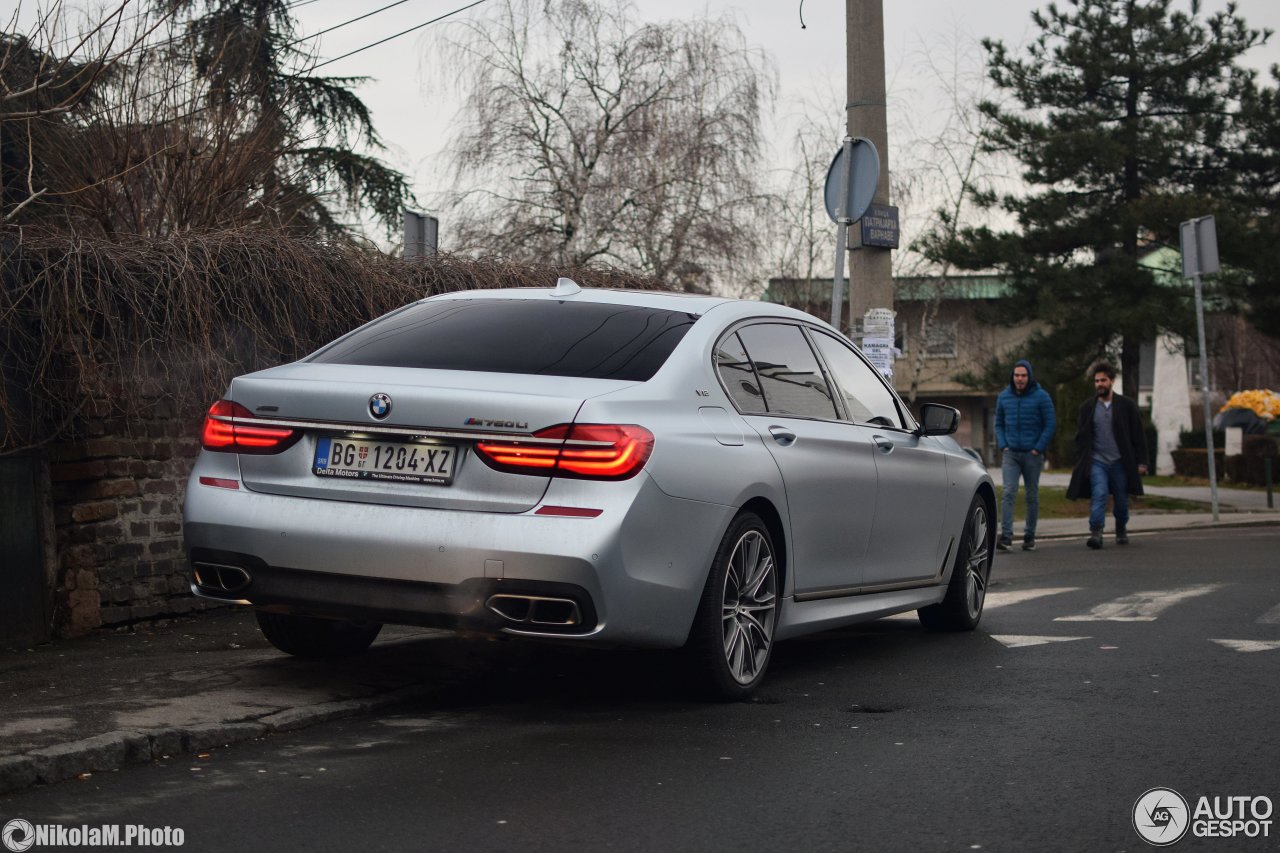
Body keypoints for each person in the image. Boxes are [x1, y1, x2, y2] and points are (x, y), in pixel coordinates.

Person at [1066, 361, 1149, 548]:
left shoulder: (1126, 406)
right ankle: (1096, 531)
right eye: (1096, 381)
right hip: (1097, 460)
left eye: (1103, 380)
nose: (1099, 384)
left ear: (1111, 381)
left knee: (1121, 497)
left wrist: (1142, 462)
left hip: (1120, 461)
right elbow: (1081, 435)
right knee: (1100, 493)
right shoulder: (1088, 407)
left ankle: (1121, 528)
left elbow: (1138, 435)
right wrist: (1082, 458)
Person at [995, 359, 1056, 551]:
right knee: (1008, 492)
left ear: (1029, 377)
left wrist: (1038, 447)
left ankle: (1029, 536)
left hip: (1032, 454)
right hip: (1011, 453)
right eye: (1016, 375)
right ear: (1012, 377)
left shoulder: (1042, 397)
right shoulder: (1004, 397)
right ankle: (1006, 536)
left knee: (1032, 495)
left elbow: (1050, 424)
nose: (1020, 379)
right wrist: (1003, 445)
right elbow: (998, 424)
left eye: (1023, 375)